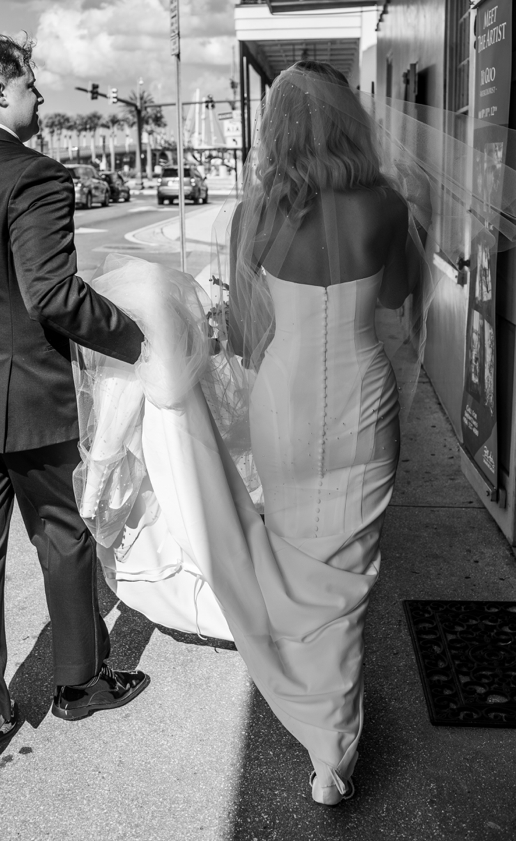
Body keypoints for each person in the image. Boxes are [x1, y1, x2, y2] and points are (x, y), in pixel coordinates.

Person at [75, 61, 429, 806]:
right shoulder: (388, 206)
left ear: (277, 131)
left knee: (298, 557)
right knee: (349, 567)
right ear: (347, 121)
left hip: (285, 403)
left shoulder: (256, 213)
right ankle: (333, 745)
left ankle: (315, 707)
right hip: (364, 398)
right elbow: (397, 302)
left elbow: (243, 329)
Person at [0, 34, 150, 772]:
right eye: (34, 87)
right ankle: (79, 683)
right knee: (62, 537)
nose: (41, 99)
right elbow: (52, 294)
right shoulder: (34, 175)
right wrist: (136, 341)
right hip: (25, 400)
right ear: (2, 90)